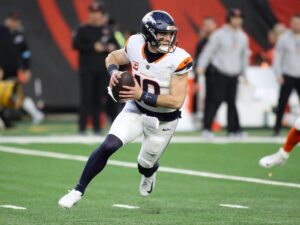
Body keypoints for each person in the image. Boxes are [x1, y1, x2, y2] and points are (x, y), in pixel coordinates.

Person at [58, 10, 192, 208]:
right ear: (148, 34)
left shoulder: (179, 59)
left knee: (144, 164)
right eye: (162, 34)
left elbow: (176, 101)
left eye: (170, 34)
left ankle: (150, 171)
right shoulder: (135, 44)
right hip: (136, 109)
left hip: (163, 119)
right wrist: (113, 72)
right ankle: (78, 190)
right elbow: (111, 57)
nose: (168, 39)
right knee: (109, 145)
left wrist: (140, 94)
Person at [196, 8, 249, 138]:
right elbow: (208, 51)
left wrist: (244, 73)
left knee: (232, 102)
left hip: (234, 74)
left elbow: (244, 56)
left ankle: (232, 130)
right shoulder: (219, 34)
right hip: (219, 72)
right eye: (234, 17)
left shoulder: (243, 37)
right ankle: (207, 129)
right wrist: (201, 66)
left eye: (239, 18)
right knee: (215, 101)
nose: (237, 20)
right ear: (229, 19)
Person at [73, 1, 119, 135]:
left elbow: (117, 46)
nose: (94, 16)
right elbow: (75, 44)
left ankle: (97, 128)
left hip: (103, 70)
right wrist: (93, 47)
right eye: (92, 13)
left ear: (101, 14)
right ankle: (82, 129)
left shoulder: (108, 30)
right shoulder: (83, 29)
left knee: (99, 99)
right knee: (86, 98)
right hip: (87, 70)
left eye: (97, 13)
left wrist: (111, 48)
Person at [0, 11, 44, 127]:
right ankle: (4, 119)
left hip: (13, 70)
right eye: (12, 20)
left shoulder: (19, 36)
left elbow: (25, 54)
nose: (13, 23)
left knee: (15, 95)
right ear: (7, 20)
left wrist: (26, 69)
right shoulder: (2, 32)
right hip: (2, 69)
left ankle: (36, 114)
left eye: (16, 21)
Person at [272, 13, 300, 136]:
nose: (296, 25)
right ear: (290, 23)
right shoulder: (284, 38)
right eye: (294, 23)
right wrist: (278, 73)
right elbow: (277, 57)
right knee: (282, 103)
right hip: (288, 74)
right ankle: (277, 129)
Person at [193, 17, 217, 127]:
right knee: (205, 99)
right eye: (205, 25)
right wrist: (196, 79)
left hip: (220, 74)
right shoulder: (201, 43)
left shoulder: (218, 40)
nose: (207, 27)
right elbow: (197, 61)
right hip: (205, 75)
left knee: (217, 99)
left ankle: (214, 122)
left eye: (209, 24)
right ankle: (206, 123)